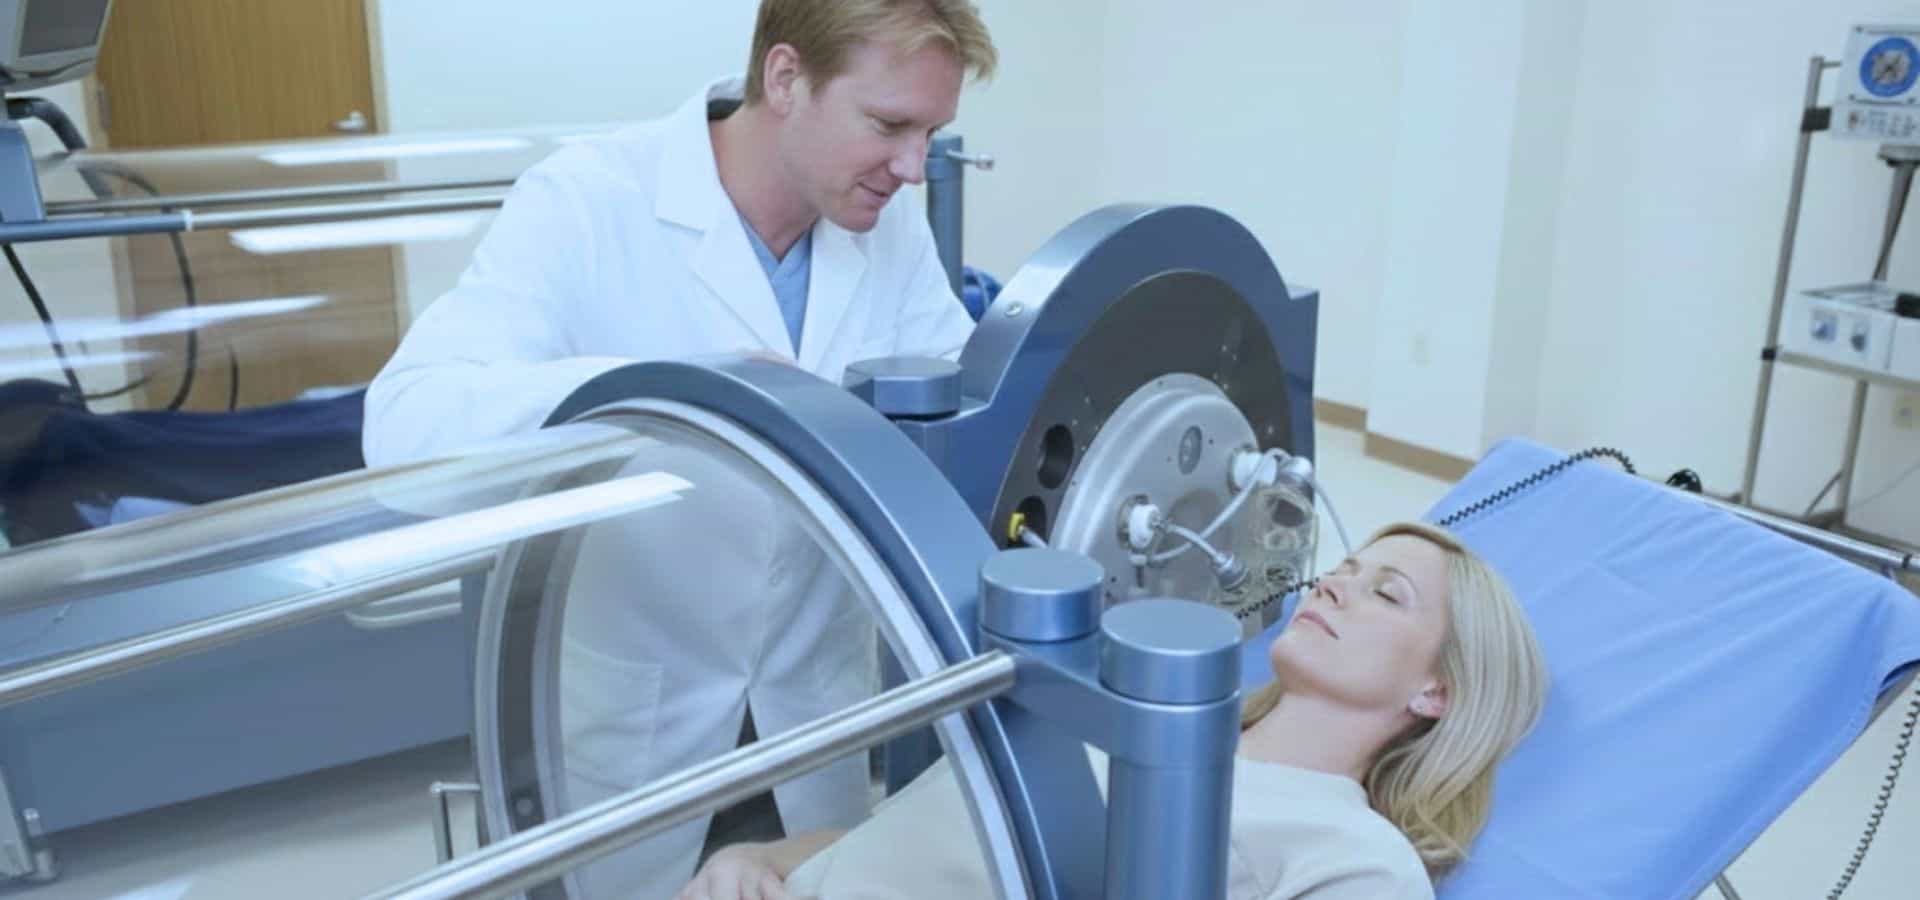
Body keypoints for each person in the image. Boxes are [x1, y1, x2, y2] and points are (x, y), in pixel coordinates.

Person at [358, 3, 997, 898]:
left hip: (817, 719)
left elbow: (959, 430)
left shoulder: (886, 227)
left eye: (932, 132)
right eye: (889, 125)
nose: (913, 167)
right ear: (784, 79)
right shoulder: (588, 200)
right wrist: (681, 391)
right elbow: (405, 429)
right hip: (638, 724)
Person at [677, 522, 1552, 900]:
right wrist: (759, 858)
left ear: (1435, 692)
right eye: (1347, 568)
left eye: (1385, 594)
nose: (1333, 584)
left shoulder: (1361, 859)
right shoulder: (1122, 713)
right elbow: (937, 835)